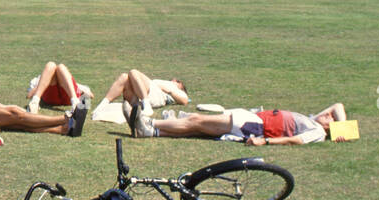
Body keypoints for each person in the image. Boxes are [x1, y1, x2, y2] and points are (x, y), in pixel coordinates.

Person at [127, 93, 347, 146]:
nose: (328, 114)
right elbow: (338, 105)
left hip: (255, 126)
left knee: (197, 121)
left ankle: (149, 124)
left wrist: (266, 142)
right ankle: (149, 131)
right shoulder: (317, 121)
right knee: (198, 125)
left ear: (329, 129)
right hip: (253, 119)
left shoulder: (317, 131)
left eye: (330, 119)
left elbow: (297, 141)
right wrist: (343, 128)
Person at [90, 69, 190, 125]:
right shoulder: (164, 83)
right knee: (124, 76)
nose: (174, 80)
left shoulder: (175, 89)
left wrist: (169, 90)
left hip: (156, 94)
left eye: (178, 81)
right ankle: (102, 105)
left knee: (133, 72)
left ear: (180, 86)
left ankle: (147, 107)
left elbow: (185, 101)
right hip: (142, 94)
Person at [26, 62, 92, 115]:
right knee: (51, 65)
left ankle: (75, 103)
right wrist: (43, 83)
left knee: (61, 67)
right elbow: (29, 95)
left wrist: (81, 91)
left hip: (68, 96)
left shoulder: (69, 82)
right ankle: (34, 103)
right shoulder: (39, 79)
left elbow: (90, 95)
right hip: (51, 97)